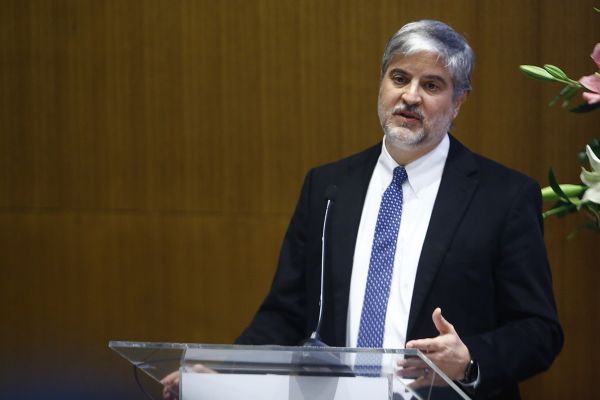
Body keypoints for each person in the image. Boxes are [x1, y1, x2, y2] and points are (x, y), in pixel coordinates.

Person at [163, 19, 563, 400]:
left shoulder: (503, 197)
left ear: (458, 101)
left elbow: (538, 330)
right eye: (399, 78)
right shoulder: (329, 187)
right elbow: (287, 312)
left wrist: (470, 359)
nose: (410, 96)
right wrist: (223, 370)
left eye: (432, 85)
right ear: (382, 82)